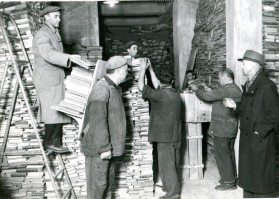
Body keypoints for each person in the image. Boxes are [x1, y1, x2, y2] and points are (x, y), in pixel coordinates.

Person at [224, 50, 279, 198]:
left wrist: (258, 132)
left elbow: (275, 115)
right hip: (248, 141)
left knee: (261, 181)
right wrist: (235, 106)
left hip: (260, 141)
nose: (242, 67)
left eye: (243, 63)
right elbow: (247, 107)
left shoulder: (267, 86)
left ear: (252, 66)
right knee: (249, 179)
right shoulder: (249, 84)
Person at [32, 6, 80, 153]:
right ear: (46, 17)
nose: (59, 19)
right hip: (47, 79)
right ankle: (50, 143)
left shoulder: (54, 33)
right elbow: (48, 54)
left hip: (55, 77)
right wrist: (68, 57)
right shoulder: (43, 35)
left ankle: (55, 143)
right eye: (55, 16)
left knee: (57, 109)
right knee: (52, 110)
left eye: (59, 16)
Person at [80, 56, 128, 199]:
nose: (127, 73)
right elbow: (97, 121)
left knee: (106, 185)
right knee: (98, 188)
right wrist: (104, 148)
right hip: (99, 150)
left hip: (108, 149)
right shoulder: (101, 89)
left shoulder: (112, 87)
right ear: (119, 71)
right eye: (126, 70)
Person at [190, 68, 242, 191]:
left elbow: (207, 97)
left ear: (224, 78)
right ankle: (232, 177)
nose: (219, 80)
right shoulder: (234, 88)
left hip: (222, 128)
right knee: (229, 153)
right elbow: (218, 94)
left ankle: (228, 182)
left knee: (222, 155)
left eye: (219, 78)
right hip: (230, 127)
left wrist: (197, 89)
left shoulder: (226, 90)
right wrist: (208, 88)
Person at [138, 59, 181, 199]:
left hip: (164, 137)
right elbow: (158, 85)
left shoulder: (160, 95)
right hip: (175, 135)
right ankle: (169, 187)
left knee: (167, 165)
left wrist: (142, 70)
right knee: (171, 163)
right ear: (172, 81)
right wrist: (151, 70)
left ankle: (173, 195)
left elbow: (141, 87)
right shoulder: (174, 92)